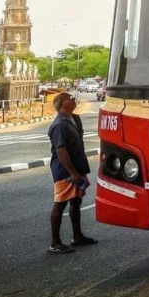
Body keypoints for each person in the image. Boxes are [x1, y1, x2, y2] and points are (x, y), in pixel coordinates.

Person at [47, 92, 97, 253]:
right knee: (60, 204)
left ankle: (77, 236)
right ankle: (55, 243)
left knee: (76, 201)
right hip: (65, 170)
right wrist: (72, 172)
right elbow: (61, 151)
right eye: (69, 98)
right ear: (62, 103)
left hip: (78, 167)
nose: (73, 99)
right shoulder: (59, 125)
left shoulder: (74, 119)